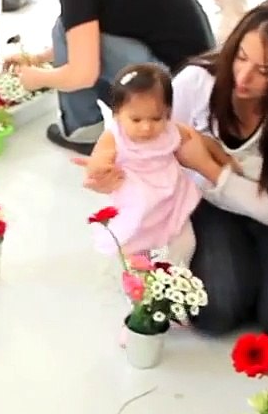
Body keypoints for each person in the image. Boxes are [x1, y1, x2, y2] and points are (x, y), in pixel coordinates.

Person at [103, 0, 268, 339]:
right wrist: (108, 165)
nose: (244, 77)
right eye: (241, 56)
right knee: (213, 311)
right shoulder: (199, 80)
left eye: (266, 71)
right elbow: (137, 129)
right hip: (216, 205)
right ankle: (258, 276)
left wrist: (206, 163)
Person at [7, 0, 214, 155]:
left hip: (172, 94)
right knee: (69, 31)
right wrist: (39, 58)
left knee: (64, 31)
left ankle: (82, 131)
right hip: (200, 84)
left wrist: (37, 78)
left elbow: (83, 74)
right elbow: (88, 34)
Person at [85, 63, 235, 266]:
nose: (146, 127)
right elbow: (100, 158)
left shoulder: (171, 130)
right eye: (136, 119)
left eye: (156, 118)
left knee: (184, 242)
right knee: (136, 246)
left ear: (168, 112)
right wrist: (99, 167)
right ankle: (142, 283)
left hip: (171, 200)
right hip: (137, 200)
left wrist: (226, 160)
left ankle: (175, 273)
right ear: (117, 114)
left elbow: (199, 140)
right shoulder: (115, 136)